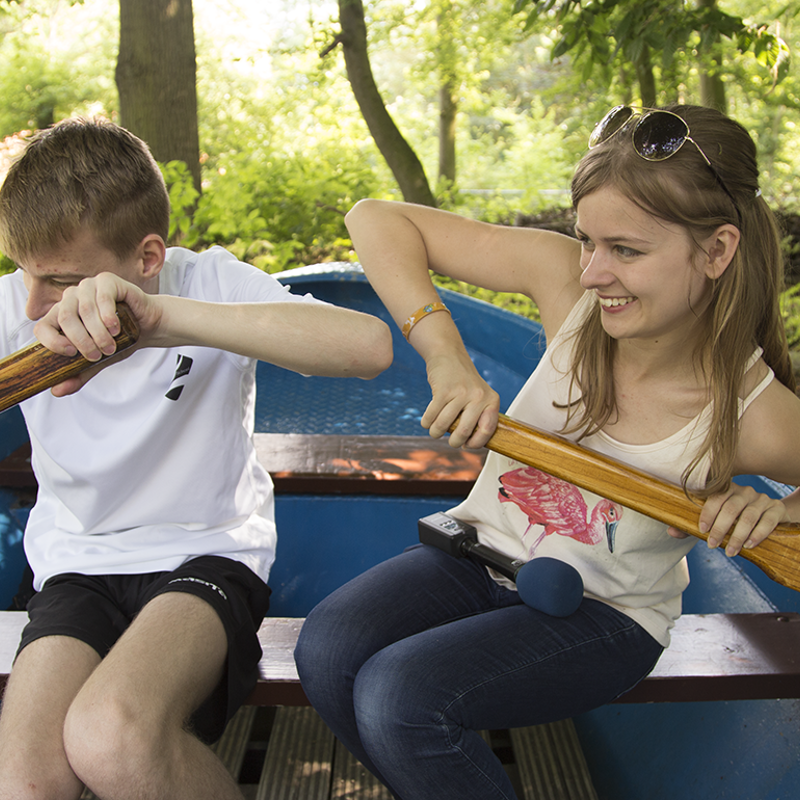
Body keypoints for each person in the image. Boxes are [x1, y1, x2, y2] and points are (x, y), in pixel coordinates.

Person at [293, 104, 800, 799]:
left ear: (716, 252)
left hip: (607, 616)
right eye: (586, 241)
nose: (593, 273)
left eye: (626, 250)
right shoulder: (569, 289)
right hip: (477, 556)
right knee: (327, 652)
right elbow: (374, 219)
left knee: (399, 697)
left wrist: (777, 510)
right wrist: (446, 358)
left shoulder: (755, 411)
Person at [0, 118, 393, 800]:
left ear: (148, 257)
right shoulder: (19, 301)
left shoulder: (206, 279)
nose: (33, 303)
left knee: (111, 735)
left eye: (61, 280)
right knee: (26, 783)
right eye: (22, 271)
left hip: (208, 555)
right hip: (74, 565)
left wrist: (160, 321)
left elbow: (368, 348)